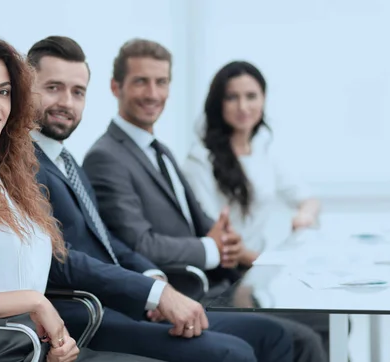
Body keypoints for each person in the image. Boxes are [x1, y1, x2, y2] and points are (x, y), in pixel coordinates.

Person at [28, 35, 294, 362]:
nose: (67, 102)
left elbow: (107, 240)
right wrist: (153, 292)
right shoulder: (26, 164)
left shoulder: (68, 161)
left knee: (274, 335)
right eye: (54, 87)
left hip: (132, 298)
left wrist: (153, 279)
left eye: (78, 92)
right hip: (91, 314)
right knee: (234, 353)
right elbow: (58, 259)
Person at [0, 32, 162, 362]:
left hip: (33, 347)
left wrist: (58, 340)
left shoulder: (8, 178)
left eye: (4, 92)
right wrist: (34, 301)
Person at [81, 38, 328, 362]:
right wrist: (214, 247)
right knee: (299, 338)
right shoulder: (106, 157)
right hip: (183, 292)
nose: (153, 94)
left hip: (216, 283)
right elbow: (139, 245)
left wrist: (223, 237)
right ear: (116, 87)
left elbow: (202, 220)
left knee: (322, 322)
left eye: (161, 82)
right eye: (141, 81)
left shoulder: (160, 150)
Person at [182, 61, 329, 357]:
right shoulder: (201, 160)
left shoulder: (263, 152)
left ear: (263, 99)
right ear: (217, 104)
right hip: (227, 282)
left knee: (330, 320)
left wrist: (304, 215)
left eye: (251, 96)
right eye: (232, 97)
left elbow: (308, 198)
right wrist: (271, 261)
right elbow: (217, 237)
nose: (243, 106)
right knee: (310, 332)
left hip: (258, 277)